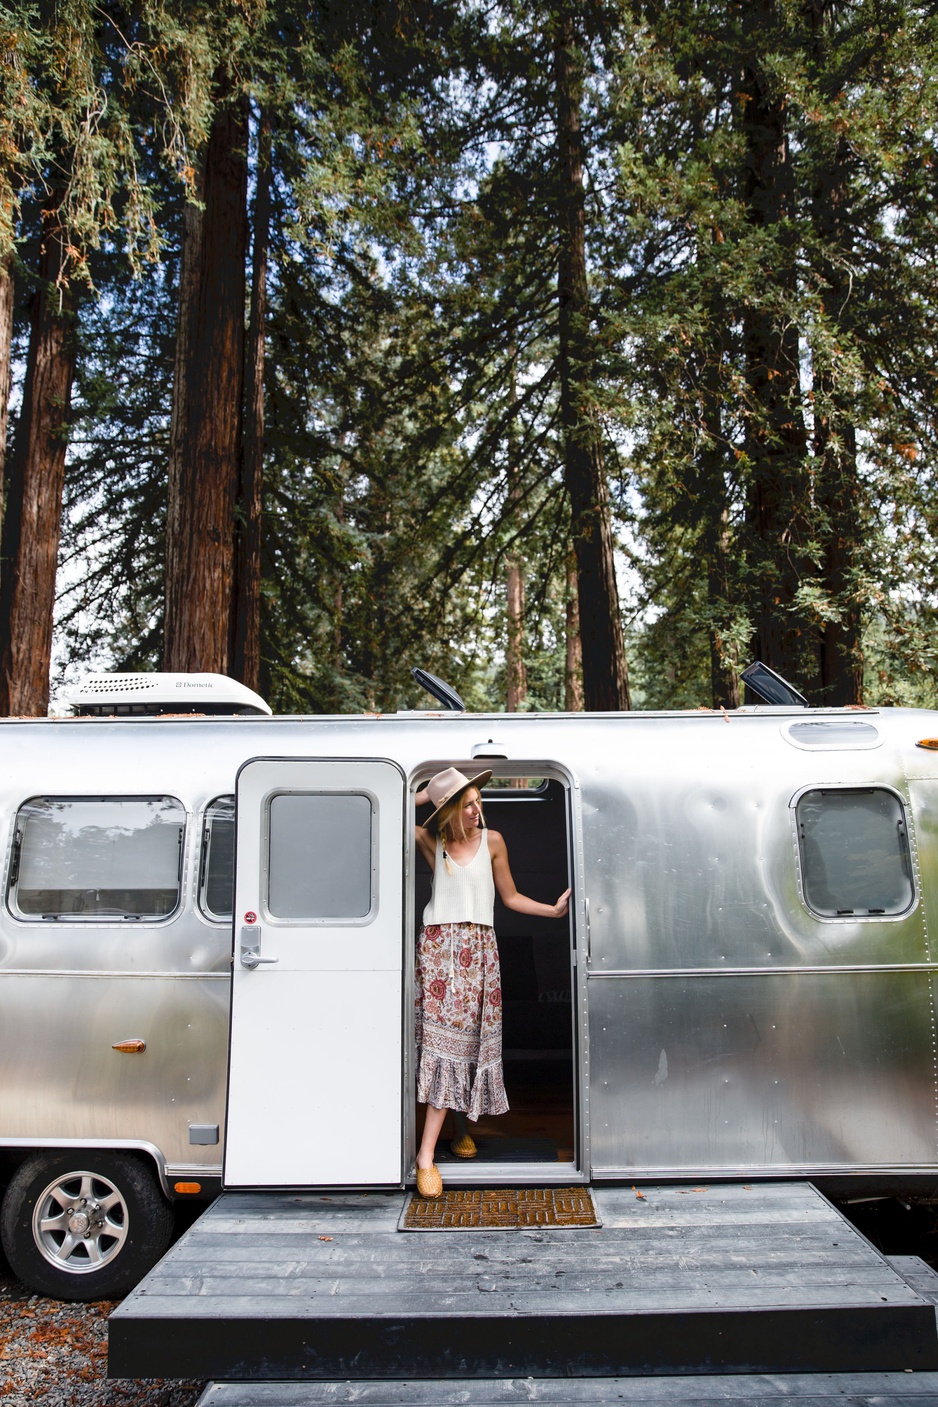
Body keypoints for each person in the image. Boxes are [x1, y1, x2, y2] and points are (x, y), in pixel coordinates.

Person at [413, 766, 571, 1198]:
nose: (477, 809)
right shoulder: (432, 840)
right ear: (448, 810)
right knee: (439, 1046)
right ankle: (426, 1158)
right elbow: (385, 814)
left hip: (480, 953)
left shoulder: (493, 841)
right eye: (466, 804)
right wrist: (429, 794)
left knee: (465, 1044)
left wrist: (553, 912)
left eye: (477, 801)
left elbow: (511, 898)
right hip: (438, 951)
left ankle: (457, 1125)